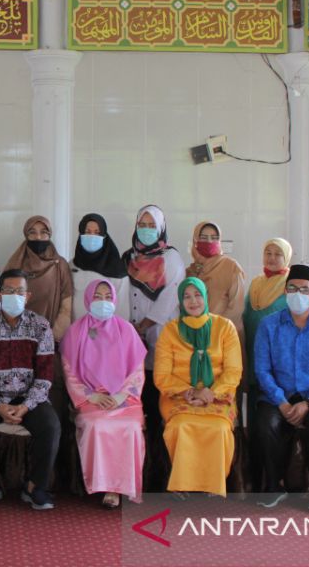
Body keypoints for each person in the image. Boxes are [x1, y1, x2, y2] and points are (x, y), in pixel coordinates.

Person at [0, 269, 60, 511]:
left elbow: (46, 375)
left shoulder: (41, 326)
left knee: (51, 426)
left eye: (19, 291)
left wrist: (26, 406)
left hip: (30, 398)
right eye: (9, 291)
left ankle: (35, 487)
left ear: (28, 296)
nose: (14, 295)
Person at [251, 264, 309, 514]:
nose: (298, 294)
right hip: (276, 395)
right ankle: (273, 485)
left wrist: (308, 403)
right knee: (265, 423)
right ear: (284, 291)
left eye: (304, 289)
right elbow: (262, 370)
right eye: (292, 288)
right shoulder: (268, 326)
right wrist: (281, 402)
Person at [154, 277, 242, 499]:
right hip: (178, 395)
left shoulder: (225, 327)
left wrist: (210, 394)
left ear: (205, 297)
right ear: (180, 302)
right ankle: (185, 484)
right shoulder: (170, 330)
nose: (193, 301)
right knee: (181, 425)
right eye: (186, 296)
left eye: (197, 295)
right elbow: (162, 376)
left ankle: (212, 484)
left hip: (218, 395)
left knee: (219, 428)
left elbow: (233, 371)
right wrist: (189, 392)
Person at [64, 278, 147, 507]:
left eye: (108, 297)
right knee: (96, 426)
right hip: (91, 398)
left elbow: (137, 370)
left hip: (124, 398)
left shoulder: (126, 329)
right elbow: (69, 372)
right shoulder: (75, 332)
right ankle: (101, 483)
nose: (103, 302)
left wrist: (120, 396)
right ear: (88, 299)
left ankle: (118, 488)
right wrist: (91, 396)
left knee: (129, 428)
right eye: (97, 297)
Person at [121, 204, 185, 492]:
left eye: (151, 224)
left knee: (160, 409)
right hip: (130, 341)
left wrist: (144, 326)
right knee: (137, 406)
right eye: (141, 223)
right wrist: (129, 328)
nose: (146, 228)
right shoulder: (127, 258)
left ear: (160, 228)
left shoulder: (171, 258)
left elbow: (170, 298)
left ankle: (160, 475)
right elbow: (122, 293)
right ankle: (137, 473)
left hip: (159, 336)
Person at [241, 236, 293, 484]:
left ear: (286, 258)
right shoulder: (255, 284)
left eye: (277, 254)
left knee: (274, 414)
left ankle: (278, 474)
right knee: (254, 412)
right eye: (268, 253)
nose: (272, 258)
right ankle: (255, 470)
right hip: (253, 355)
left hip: (279, 361)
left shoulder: (290, 286)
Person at [4, 216, 73, 341]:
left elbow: (66, 307)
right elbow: (5, 302)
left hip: (50, 339)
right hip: (17, 338)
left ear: (49, 235)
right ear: (26, 235)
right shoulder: (15, 263)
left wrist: (51, 338)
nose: (38, 237)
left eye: (43, 232)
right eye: (33, 232)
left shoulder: (60, 265)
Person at [184, 221, 246, 336]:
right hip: (195, 336)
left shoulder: (231, 267)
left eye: (214, 238)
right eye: (203, 238)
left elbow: (236, 309)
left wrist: (214, 332)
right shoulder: (190, 272)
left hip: (224, 337)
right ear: (195, 241)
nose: (209, 241)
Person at [70, 213, 129, 322]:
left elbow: (123, 311)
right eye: (87, 232)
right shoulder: (71, 266)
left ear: (104, 236)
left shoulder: (117, 270)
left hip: (108, 334)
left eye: (97, 233)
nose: (92, 236)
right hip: (77, 333)